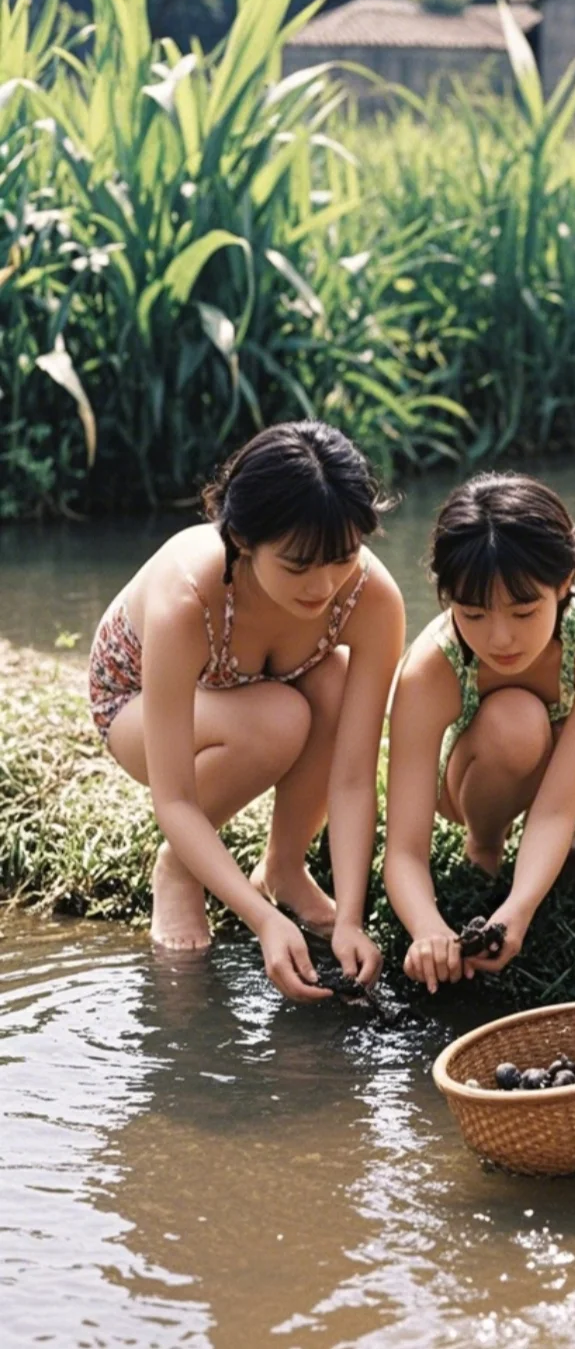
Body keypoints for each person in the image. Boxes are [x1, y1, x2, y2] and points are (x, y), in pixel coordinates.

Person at [88, 422, 405, 1001]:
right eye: (298, 564)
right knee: (281, 720)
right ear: (241, 538)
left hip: (264, 686)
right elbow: (174, 797)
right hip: (136, 705)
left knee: (329, 685)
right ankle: (178, 867)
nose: (324, 584)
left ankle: (285, 867)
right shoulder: (188, 598)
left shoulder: (370, 597)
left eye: (341, 556)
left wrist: (354, 917)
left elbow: (357, 775)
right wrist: (262, 921)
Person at [384, 472, 575, 992]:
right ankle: (485, 851)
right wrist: (427, 928)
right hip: (475, 775)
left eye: (524, 611)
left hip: (565, 774)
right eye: (472, 613)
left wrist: (519, 909)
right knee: (515, 720)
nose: (500, 637)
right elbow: (404, 848)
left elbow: (558, 803)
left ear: (564, 583)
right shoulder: (430, 669)